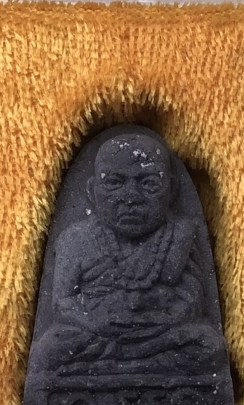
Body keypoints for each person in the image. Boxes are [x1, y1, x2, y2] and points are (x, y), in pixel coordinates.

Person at [34, 132, 225, 376]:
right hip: (98, 334)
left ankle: (116, 370)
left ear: (172, 190)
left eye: (149, 183)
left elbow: (194, 297)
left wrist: (163, 317)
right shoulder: (76, 239)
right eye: (114, 183)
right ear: (92, 191)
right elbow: (62, 303)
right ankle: (138, 369)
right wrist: (96, 322)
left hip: (160, 332)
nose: (131, 197)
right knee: (50, 347)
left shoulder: (179, 235)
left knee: (209, 344)